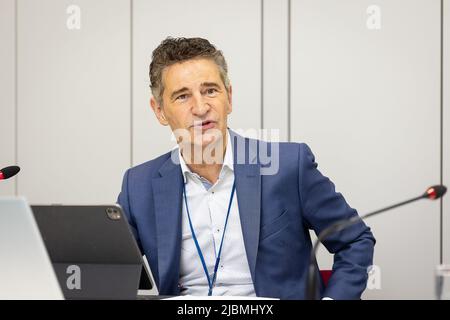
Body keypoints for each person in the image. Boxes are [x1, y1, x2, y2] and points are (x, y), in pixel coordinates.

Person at [118, 37, 375, 299]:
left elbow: (355, 240)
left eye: (210, 91)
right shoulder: (138, 186)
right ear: (159, 111)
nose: (201, 107)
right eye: (183, 96)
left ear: (229, 97)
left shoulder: (288, 166)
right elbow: (108, 268)